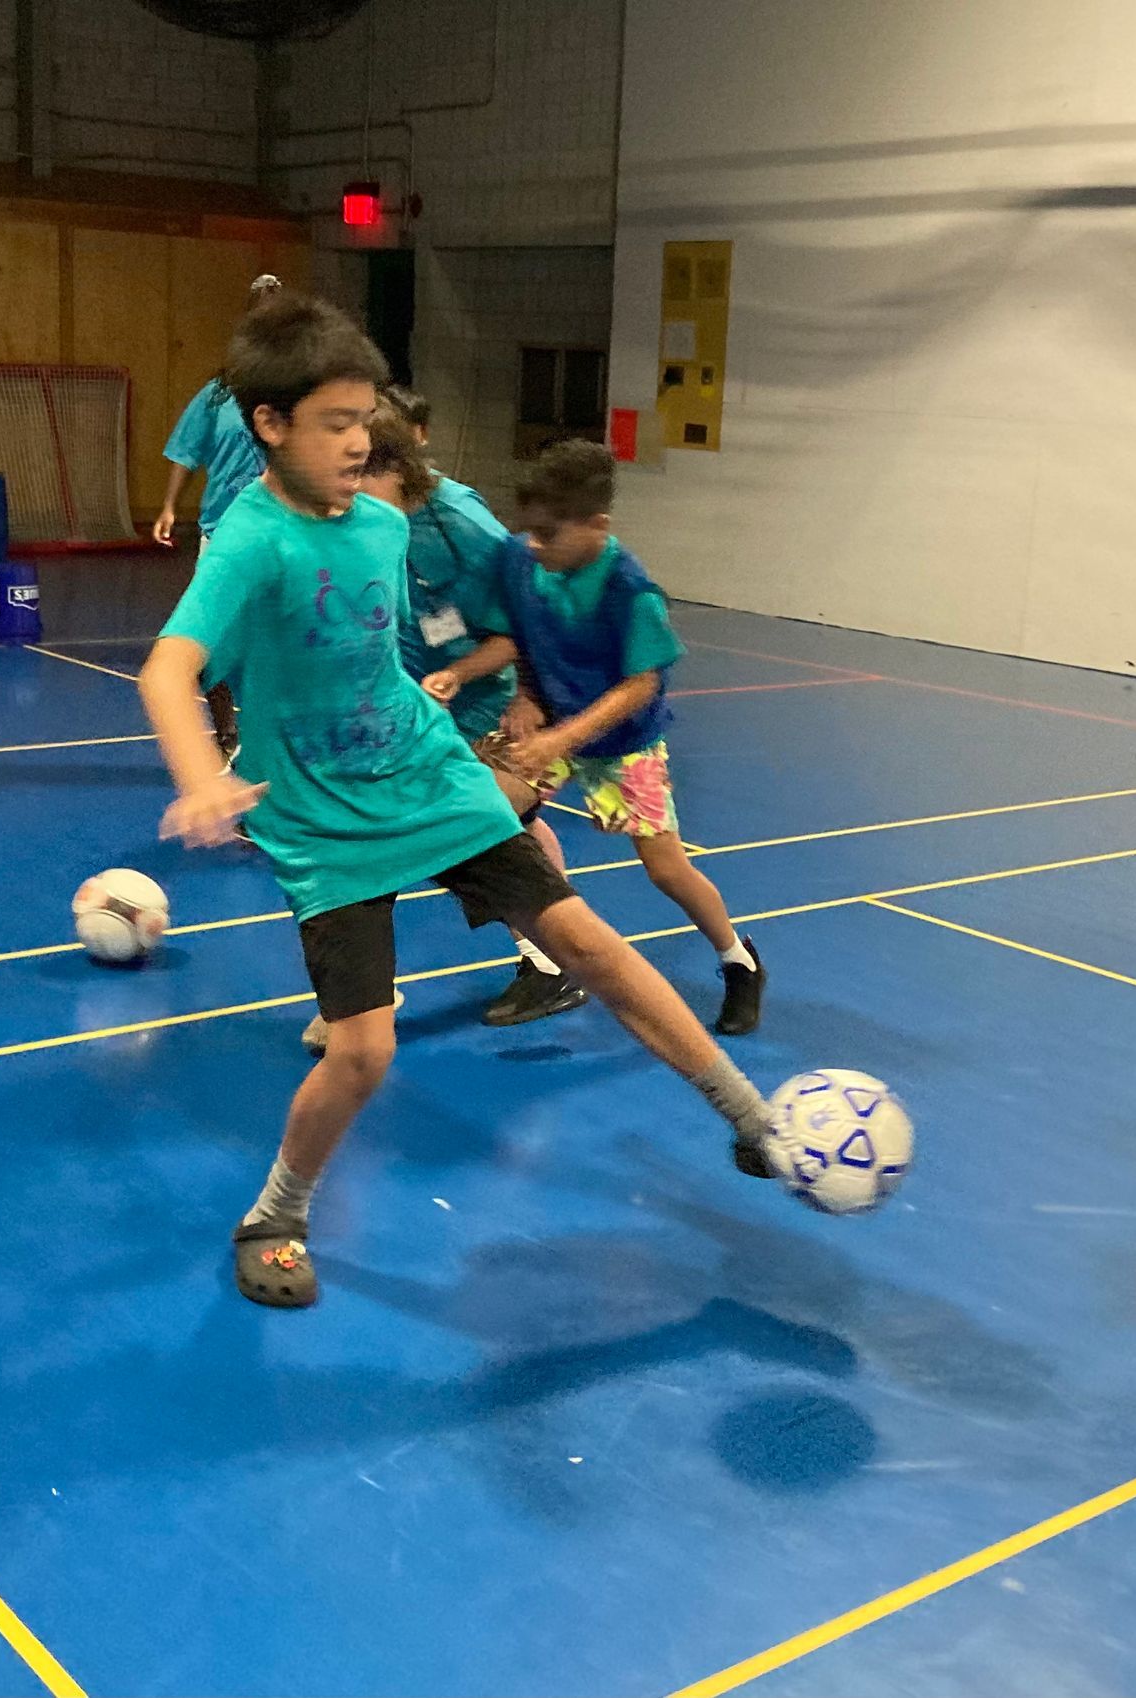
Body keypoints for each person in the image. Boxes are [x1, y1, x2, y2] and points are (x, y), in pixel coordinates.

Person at [136, 294, 793, 1310]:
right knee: (360, 1052)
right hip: (323, 819)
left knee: (594, 947)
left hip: (430, 779)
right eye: (334, 423)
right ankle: (276, 1212)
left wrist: (479, 732)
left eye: (367, 420)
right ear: (269, 424)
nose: (360, 443)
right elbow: (170, 668)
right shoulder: (249, 541)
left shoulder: (379, 527)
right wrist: (202, 777)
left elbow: (381, 659)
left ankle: (753, 1121)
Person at [421, 441, 768, 1037]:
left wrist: (561, 739)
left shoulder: (630, 591)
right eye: (528, 531)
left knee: (666, 871)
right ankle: (549, 956)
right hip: (552, 725)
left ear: (597, 526)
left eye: (549, 534)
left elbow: (640, 686)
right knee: (479, 812)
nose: (534, 544)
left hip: (621, 744)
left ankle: (739, 960)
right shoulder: (522, 558)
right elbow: (517, 638)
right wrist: (508, 689)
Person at [298, 401, 585, 1054]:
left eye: (359, 475)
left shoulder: (462, 526)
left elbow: (532, 620)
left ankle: (548, 962)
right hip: (407, 715)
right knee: (502, 830)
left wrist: (521, 694)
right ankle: (547, 960)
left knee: (447, 832)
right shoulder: (360, 519)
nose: (347, 494)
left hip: (484, 712)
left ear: (397, 468)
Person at [151, 272, 283, 756]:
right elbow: (186, 450)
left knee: (275, 644)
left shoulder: (298, 393)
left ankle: (279, 743)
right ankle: (227, 733)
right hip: (221, 533)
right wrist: (169, 506)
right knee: (211, 642)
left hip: (282, 537)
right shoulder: (217, 395)